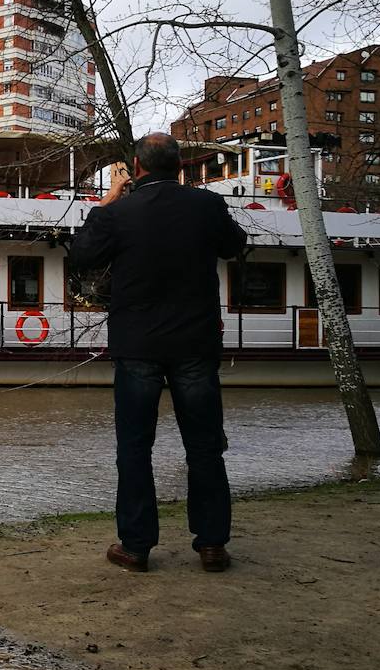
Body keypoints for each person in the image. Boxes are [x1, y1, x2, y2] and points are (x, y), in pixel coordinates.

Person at [70, 132, 247, 573]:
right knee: (204, 447)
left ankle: (135, 546)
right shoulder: (206, 206)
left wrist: (109, 199)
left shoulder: (122, 213)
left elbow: (82, 255)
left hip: (138, 346)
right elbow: (234, 245)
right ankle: (211, 545)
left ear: (137, 166)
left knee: (134, 447)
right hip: (194, 344)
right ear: (180, 167)